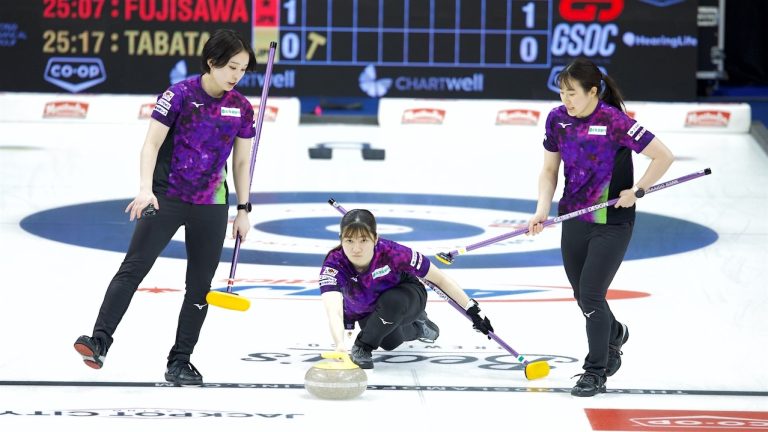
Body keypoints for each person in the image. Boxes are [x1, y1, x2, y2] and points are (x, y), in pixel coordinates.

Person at [73, 29, 258, 386]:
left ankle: (180, 361)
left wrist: (244, 209)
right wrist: (145, 190)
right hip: (166, 197)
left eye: (243, 69)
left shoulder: (243, 108)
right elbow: (151, 145)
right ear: (212, 62)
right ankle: (99, 341)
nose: (236, 75)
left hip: (211, 204)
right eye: (231, 67)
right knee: (134, 268)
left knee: (199, 287)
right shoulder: (179, 95)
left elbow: (240, 164)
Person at [527, 58, 674, 396]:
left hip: (612, 223)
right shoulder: (558, 120)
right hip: (574, 219)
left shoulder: (615, 121)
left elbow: (663, 156)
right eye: (562, 93)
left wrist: (637, 190)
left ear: (593, 91)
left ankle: (595, 371)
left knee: (592, 294)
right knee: (583, 296)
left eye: (573, 94)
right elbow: (549, 171)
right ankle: (615, 332)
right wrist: (540, 210)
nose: (567, 100)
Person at [320, 209, 495, 369]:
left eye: (364, 240)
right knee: (389, 342)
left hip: (406, 295)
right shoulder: (334, 264)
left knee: (391, 304)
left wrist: (472, 309)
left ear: (375, 238)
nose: (356, 248)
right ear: (340, 238)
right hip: (369, 308)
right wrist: (339, 344)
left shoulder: (394, 253)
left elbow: (440, 279)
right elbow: (333, 309)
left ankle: (363, 347)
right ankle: (420, 326)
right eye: (349, 240)